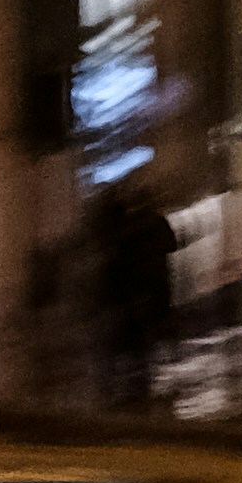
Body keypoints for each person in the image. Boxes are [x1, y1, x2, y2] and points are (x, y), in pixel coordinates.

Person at [92, 172, 177, 414]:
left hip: (131, 288)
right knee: (141, 333)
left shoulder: (124, 227)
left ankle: (126, 382)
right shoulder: (148, 223)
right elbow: (171, 245)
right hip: (147, 286)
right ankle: (137, 379)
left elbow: (121, 257)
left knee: (127, 335)